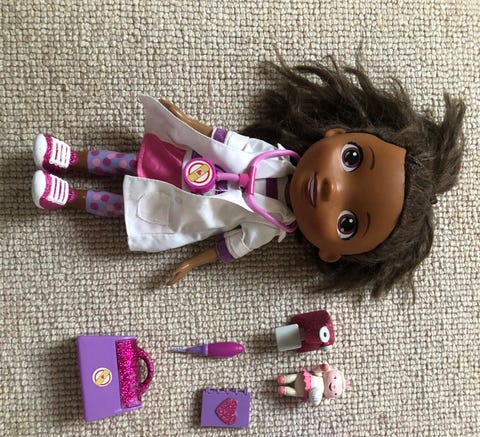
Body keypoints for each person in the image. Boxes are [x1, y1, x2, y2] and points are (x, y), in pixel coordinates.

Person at [31, 57, 465, 295]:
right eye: (351, 159)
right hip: (185, 164)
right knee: (129, 161)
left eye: (347, 223)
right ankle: (71, 157)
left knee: (126, 207)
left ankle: (66, 197)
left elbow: (228, 247)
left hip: (186, 211)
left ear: (330, 252)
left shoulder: (271, 226)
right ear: (337, 134)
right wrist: (185, 120)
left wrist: (190, 263)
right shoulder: (269, 156)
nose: (332, 187)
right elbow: (221, 140)